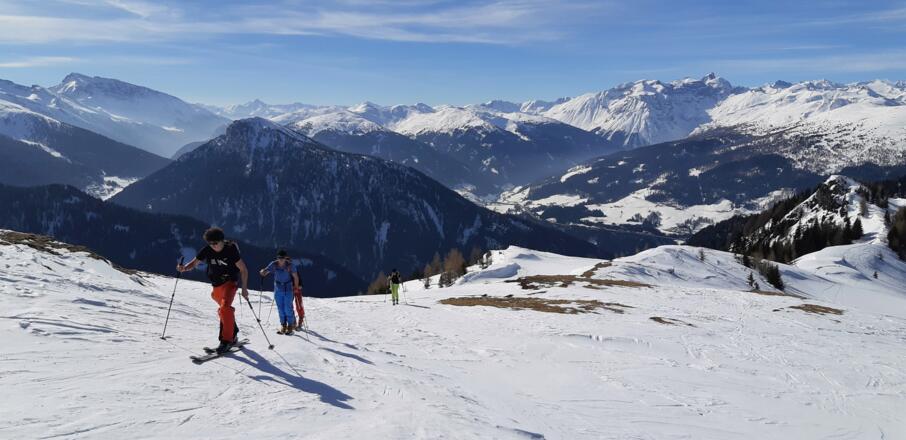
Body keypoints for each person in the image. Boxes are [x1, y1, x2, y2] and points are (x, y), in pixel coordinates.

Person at [177, 227, 249, 354]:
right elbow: (194, 263)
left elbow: (243, 269)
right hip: (216, 285)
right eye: (210, 243)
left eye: (215, 243)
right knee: (223, 310)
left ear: (222, 240)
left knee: (225, 308)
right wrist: (184, 268)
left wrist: (244, 289)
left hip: (230, 282)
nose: (213, 246)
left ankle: (226, 341)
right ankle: (233, 331)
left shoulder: (230, 250)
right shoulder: (207, 250)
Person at [259, 249, 299, 335]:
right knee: (280, 308)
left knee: (288, 308)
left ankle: (290, 325)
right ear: (277, 258)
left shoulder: (290, 265)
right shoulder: (273, 264)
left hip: (288, 289)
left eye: (282, 258)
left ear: (285, 258)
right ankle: (283, 325)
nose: (281, 259)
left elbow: (295, 277)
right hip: (278, 289)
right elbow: (266, 271)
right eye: (279, 258)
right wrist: (262, 272)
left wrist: (296, 287)